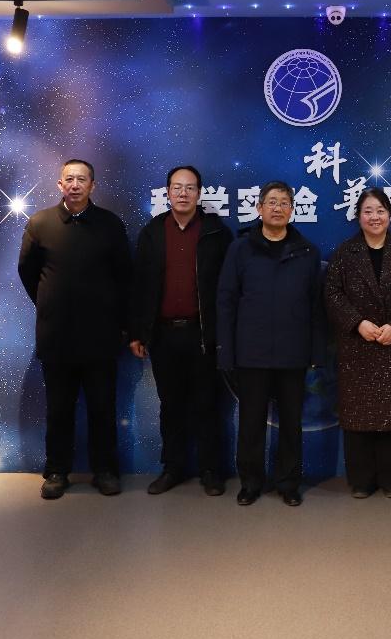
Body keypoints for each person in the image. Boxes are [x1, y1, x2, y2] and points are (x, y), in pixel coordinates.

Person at [17, 159, 133, 499]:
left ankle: (105, 471)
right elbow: (28, 272)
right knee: (59, 410)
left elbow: (125, 277)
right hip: (57, 337)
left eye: (82, 179)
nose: (75, 184)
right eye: (69, 179)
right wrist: (50, 303)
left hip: (101, 336)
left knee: (102, 408)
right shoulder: (40, 223)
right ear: (60, 184)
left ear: (92, 185)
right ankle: (56, 471)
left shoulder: (110, 224)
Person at [216, 181, 325, 507]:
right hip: (251, 352)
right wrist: (225, 350)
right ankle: (250, 482)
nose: (278, 208)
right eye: (272, 202)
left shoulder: (307, 252)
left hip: (293, 353)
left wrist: (316, 352)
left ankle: (288, 483)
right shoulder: (240, 249)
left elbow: (316, 307)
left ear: (293, 210)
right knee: (251, 423)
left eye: (284, 203)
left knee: (291, 423)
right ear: (259, 208)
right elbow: (226, 301)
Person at [130, 165, 233, 496]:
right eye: (177, 187)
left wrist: (224, 334)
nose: (183, 193)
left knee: (207, 404)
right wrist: (137, 332)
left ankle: (210, 470)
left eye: (190, 188)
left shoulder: (217, 233)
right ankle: (172, 468)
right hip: (163, 335)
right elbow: (139, 285)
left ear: (199, 193)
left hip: (203, 335)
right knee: (170, 405)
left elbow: (229, 288)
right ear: (168, 192)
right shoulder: (152, 233)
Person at [324, 188, 391, 498]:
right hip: (357, 346)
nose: (374, 217)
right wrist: (358, 323)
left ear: (390, 215)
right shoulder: (345, 253)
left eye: (380, 210)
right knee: (358, 419)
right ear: (358, 216)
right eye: (368, 211)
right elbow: (332, 294)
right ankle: (361, 481)